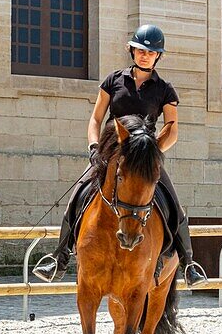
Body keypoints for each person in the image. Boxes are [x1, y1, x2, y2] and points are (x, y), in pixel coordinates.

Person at [32, 24, 209, 288]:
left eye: (150, 52)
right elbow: (96, 118)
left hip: (145, 157)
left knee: (173, 203)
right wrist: (94, 147)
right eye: (140, 50)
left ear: (158, 56)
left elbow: (172, 131)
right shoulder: (113, 80)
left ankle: (188, 263)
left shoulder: (165, 90)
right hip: (110, 154)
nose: (144, 55)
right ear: (133, 51)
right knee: (78, 193)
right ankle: (59, 256)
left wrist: (150, 154)